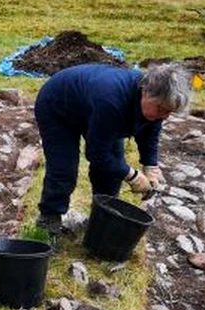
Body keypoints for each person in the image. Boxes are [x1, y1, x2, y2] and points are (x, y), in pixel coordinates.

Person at [33, 62, 193, 234]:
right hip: (57, 106)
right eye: (161, 109)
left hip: (93, 107)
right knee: (63, 169)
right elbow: (96, 153)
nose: (164, 116)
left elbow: (150, 133)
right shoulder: (112, 100)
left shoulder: (153, 102)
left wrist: (150, 165)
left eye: (169, 112)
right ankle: (48, 221)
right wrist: (133, 176)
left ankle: (102, 220)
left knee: (111, 171)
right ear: (146, 92)